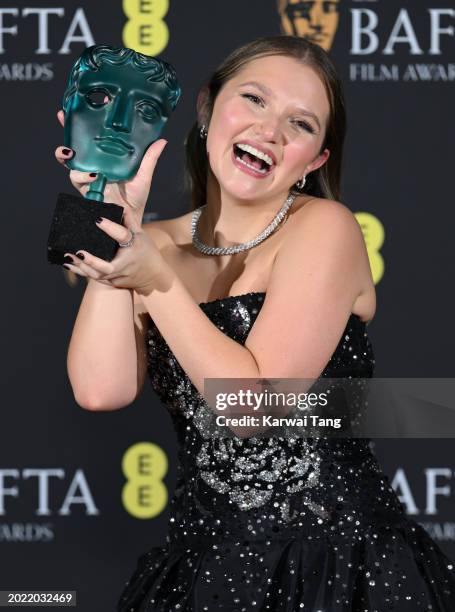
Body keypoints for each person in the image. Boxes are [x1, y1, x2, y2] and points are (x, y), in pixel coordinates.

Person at [55, 36, 455, 611]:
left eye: (302, 124)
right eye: (254, 99)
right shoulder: (155, 243)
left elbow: (252, 412)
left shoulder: (325, 229)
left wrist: (156, 282)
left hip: (339, 568)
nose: (271, 131)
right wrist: (111, 220)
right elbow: (101, 389)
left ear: (315, 160)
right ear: (207, 108)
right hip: (201, 572)